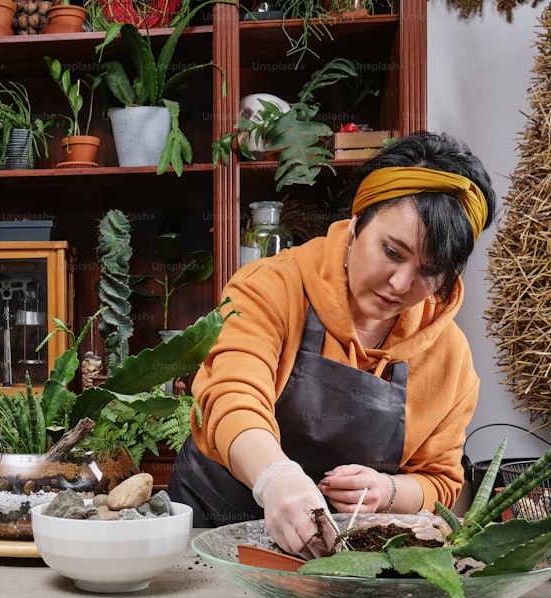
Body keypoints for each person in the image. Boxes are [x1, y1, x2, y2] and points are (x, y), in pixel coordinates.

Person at [167, 131, 497, 559]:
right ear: (357, 223)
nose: (400, 284)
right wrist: (277, 479)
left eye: (429, 271)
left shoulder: (449, 357)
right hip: (212, 536)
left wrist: (388, 490)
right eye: (392, 252)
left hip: (337, 563)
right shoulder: (272, 287)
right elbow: (232, 397)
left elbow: (441, 481)